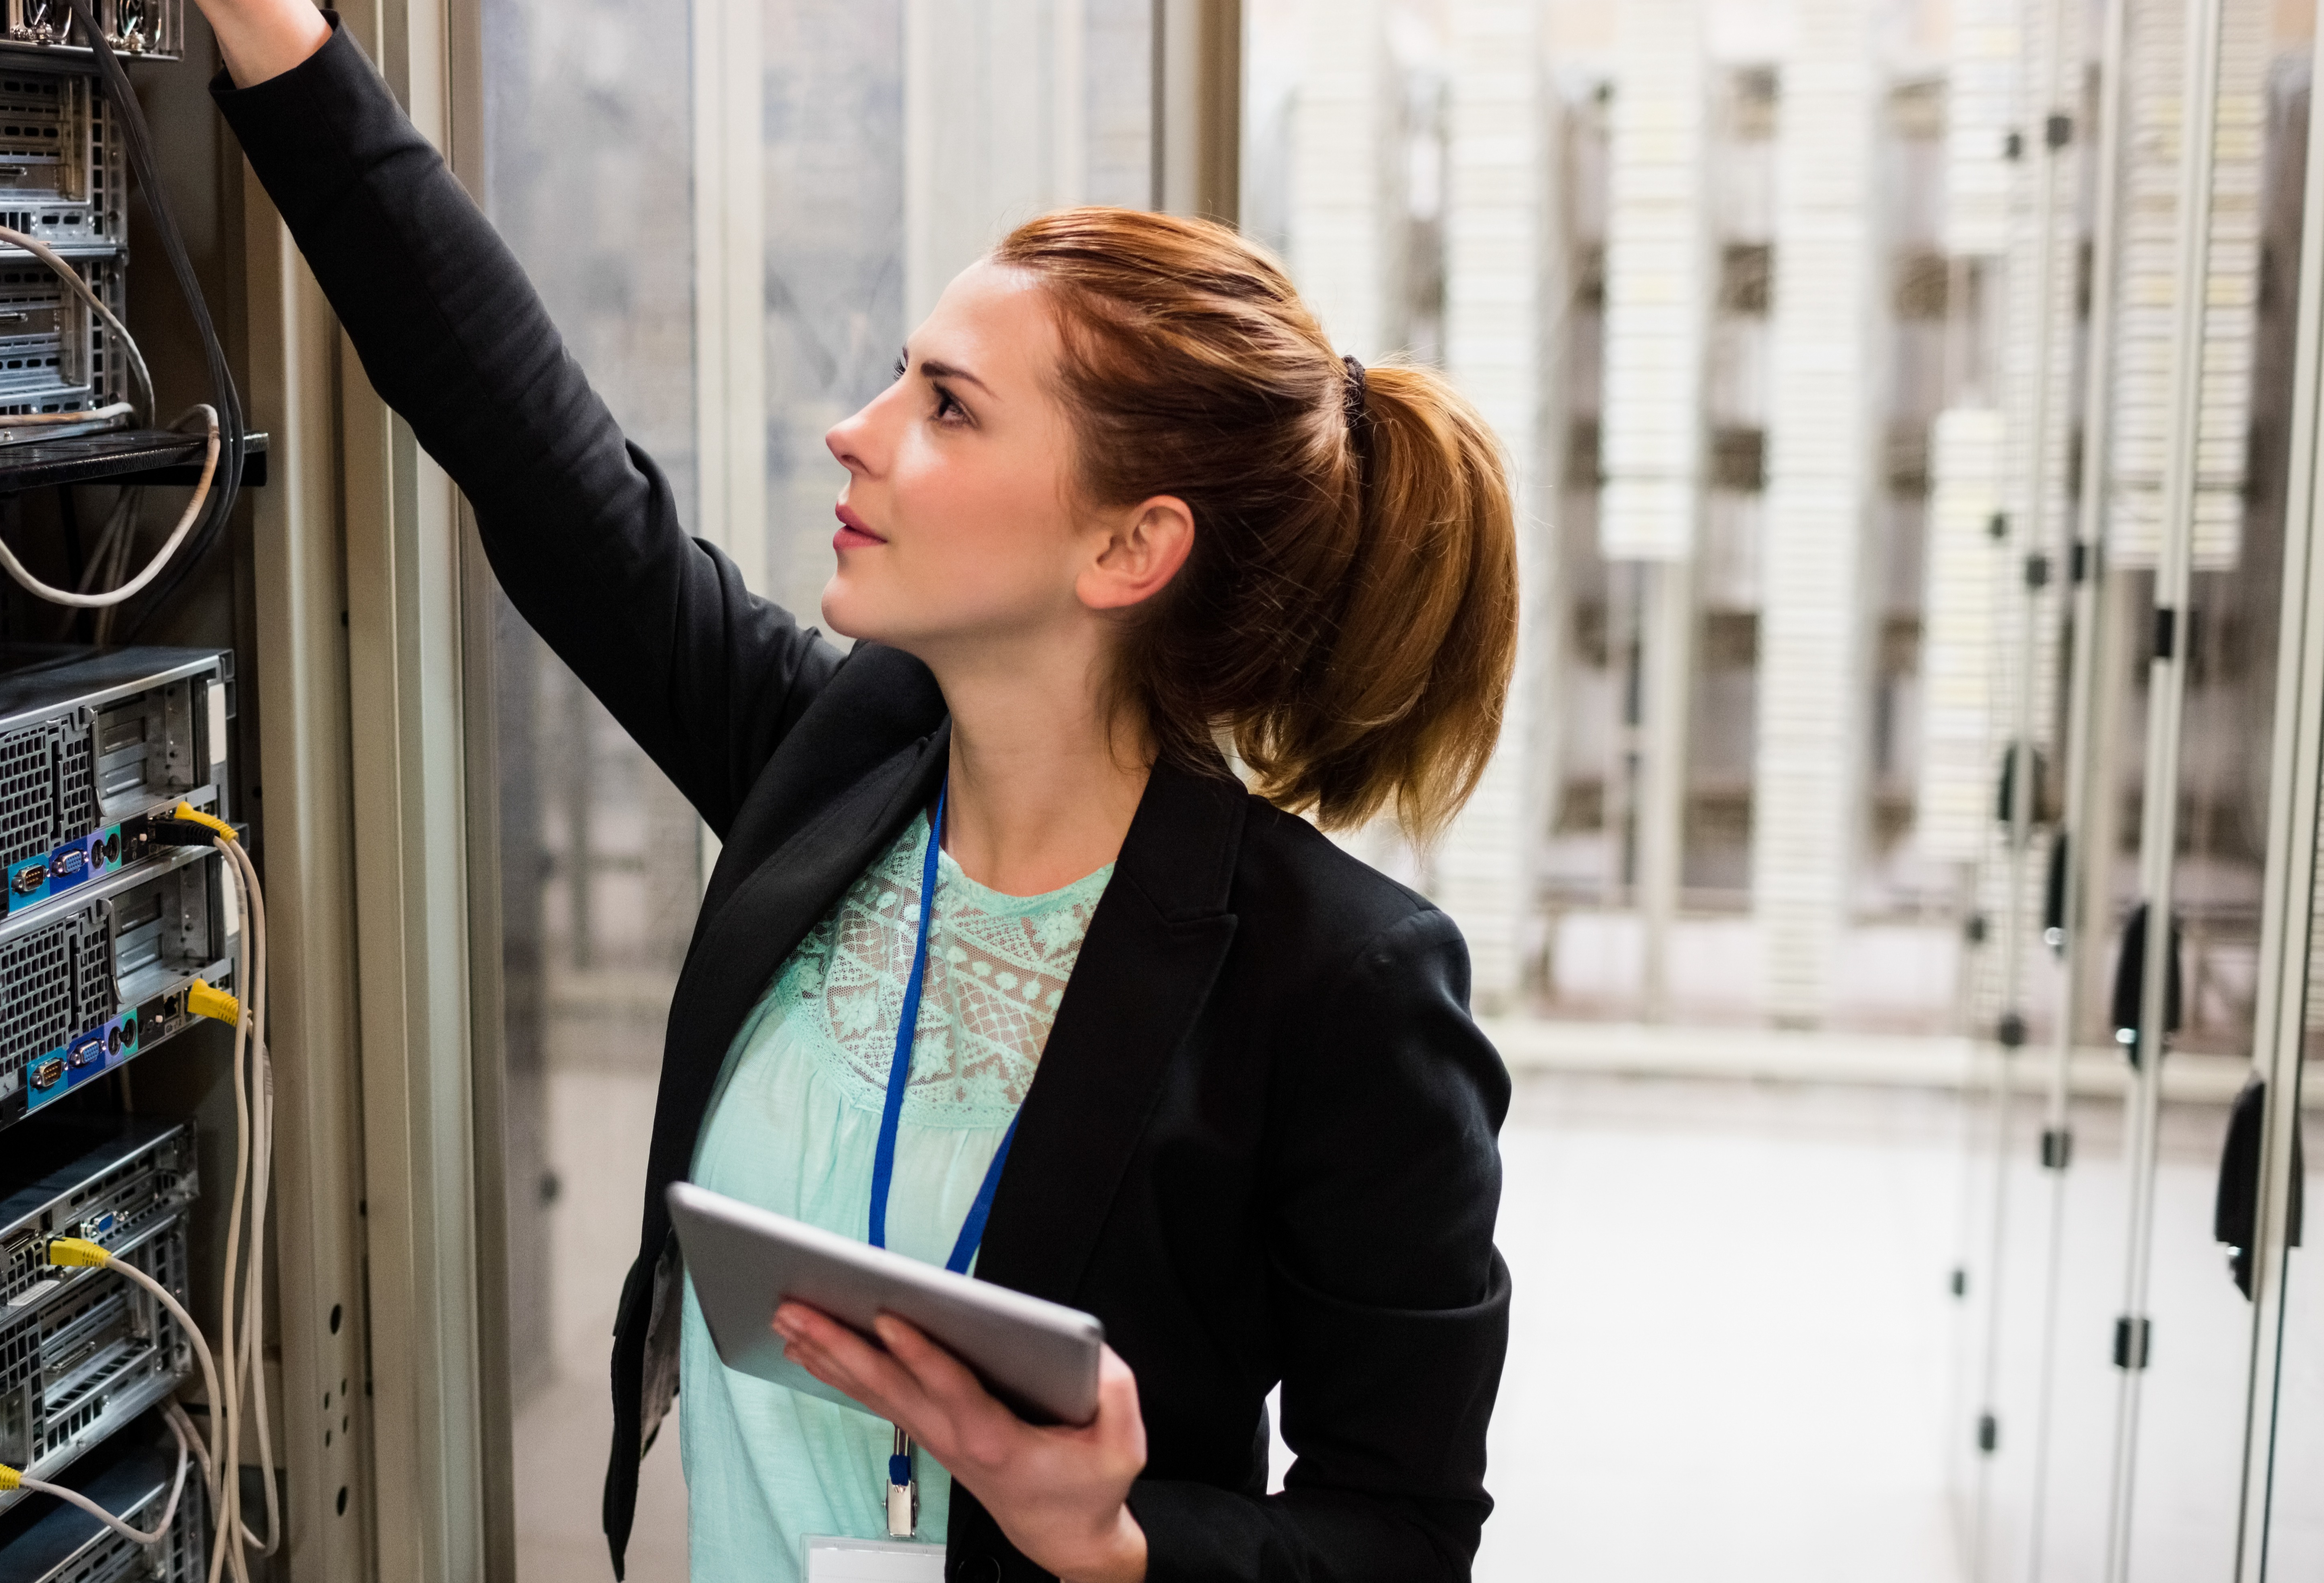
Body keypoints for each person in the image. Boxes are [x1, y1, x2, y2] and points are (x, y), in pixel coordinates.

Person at [192, 6, 1516, 1579]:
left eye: (945, 406)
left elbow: (1403, 1530)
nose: (854, 430)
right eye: (899, 378)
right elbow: (531, 450)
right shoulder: (835, 772)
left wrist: (1120, 1544)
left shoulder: (1336, 986)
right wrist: (272, 28)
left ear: (1125, 547)